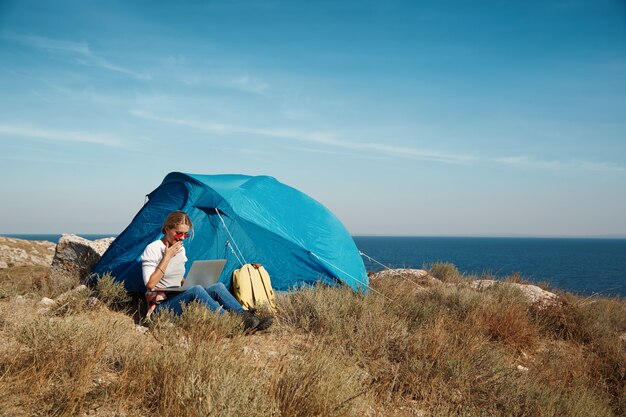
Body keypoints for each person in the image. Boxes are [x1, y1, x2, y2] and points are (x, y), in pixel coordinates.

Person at [141, 210, 271, 331]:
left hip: (177, 297)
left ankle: (247, 318)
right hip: (160, 307)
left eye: (186, 234)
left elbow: (177, 277)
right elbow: (150, 284)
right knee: (196, 290)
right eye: (178, 233)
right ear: (167, 229)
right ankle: (230, 324)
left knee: (217, 287)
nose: (181, 238)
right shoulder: (153, 249)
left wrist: (190, 283)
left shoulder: (180, 249)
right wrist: (167, 257)